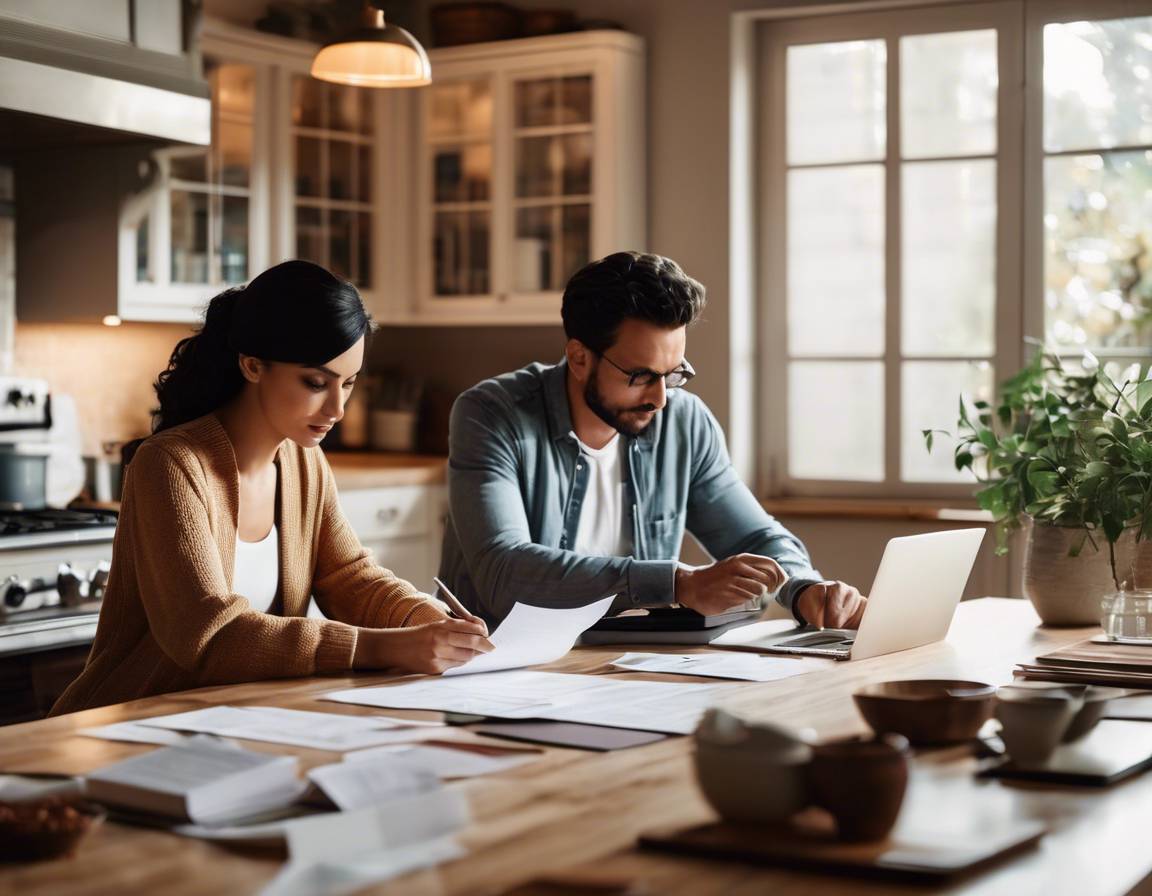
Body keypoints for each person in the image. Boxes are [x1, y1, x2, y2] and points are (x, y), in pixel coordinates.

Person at [53, 261, 491, 715]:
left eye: (349, 384)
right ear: (253, 365)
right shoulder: (171, 464)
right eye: (316, 383)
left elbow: (351, 578)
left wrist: (428, 621)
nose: (338, 408)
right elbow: (209, 636)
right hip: (130, 721)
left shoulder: (304, 461)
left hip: (237, 717)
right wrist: (384, 647)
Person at [439, 251, 867, 628]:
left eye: (674, 373)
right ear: (579, 357)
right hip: (503, 665)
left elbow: (756, 539)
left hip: (635, 666)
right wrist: (677, 583)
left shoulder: (684, 422)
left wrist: (805, 589)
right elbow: (503, 570)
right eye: (640, 376)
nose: (661, 398)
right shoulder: (491, 414)